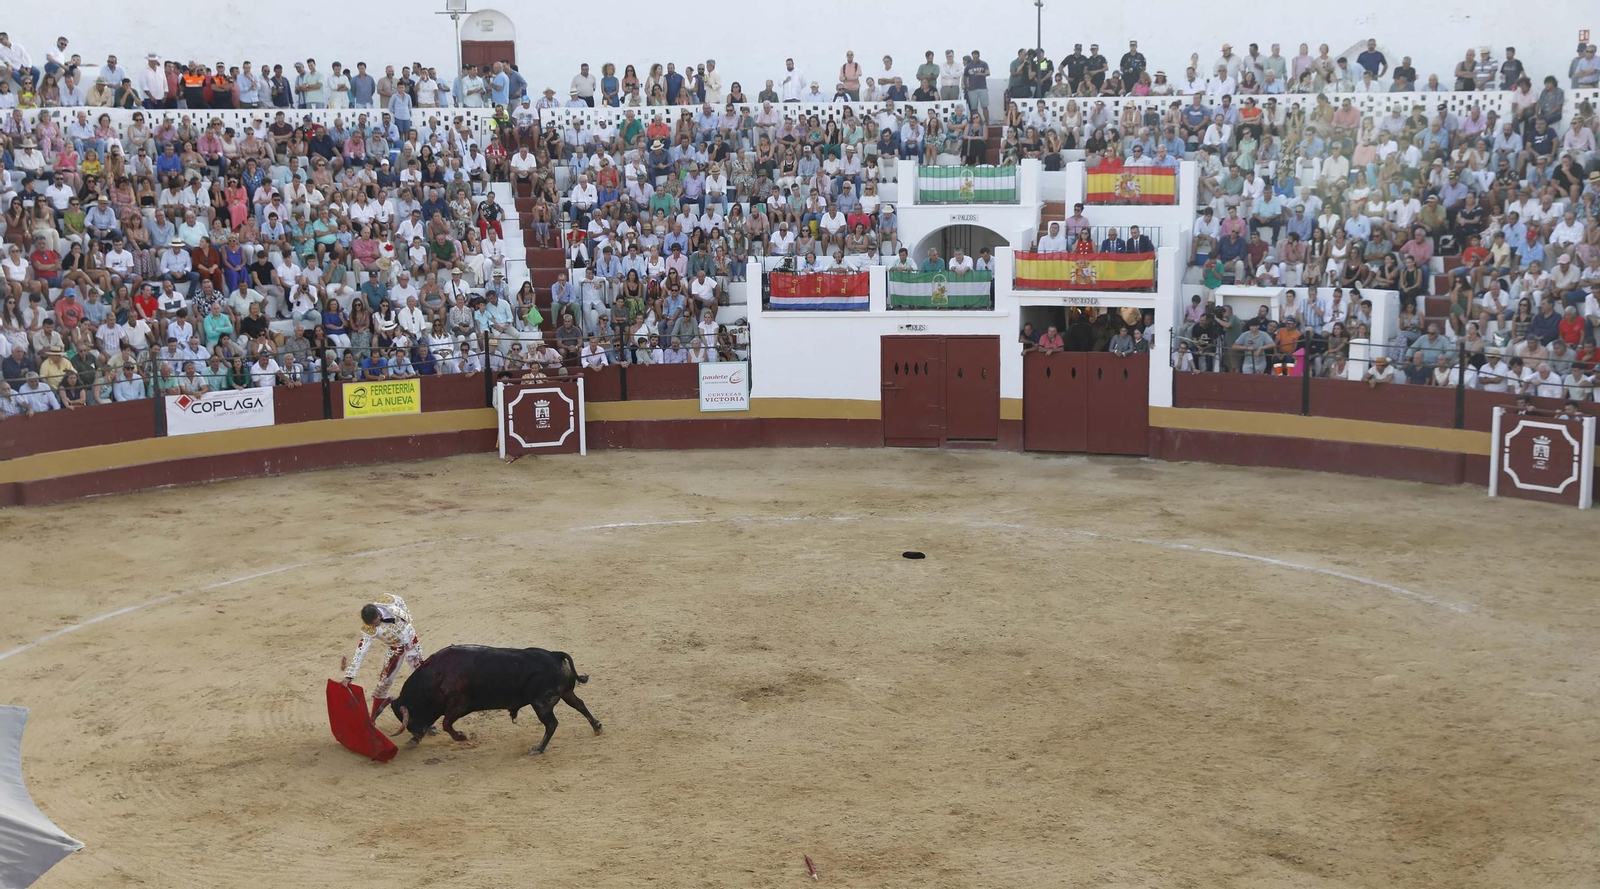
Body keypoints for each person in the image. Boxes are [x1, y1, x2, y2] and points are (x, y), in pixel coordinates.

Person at [340, 594, 427, 723]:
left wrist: (408, 624)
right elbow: (361, 651)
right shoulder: (369, 628)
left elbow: (402, 604)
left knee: (424, 679)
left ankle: (429, 719)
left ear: (379, 615)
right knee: (383, 683)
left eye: (375, 624)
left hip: (412, 643)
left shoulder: (389, 601)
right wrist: (349, 675)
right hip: (395, 649)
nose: (374, 627)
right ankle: (372, 719)